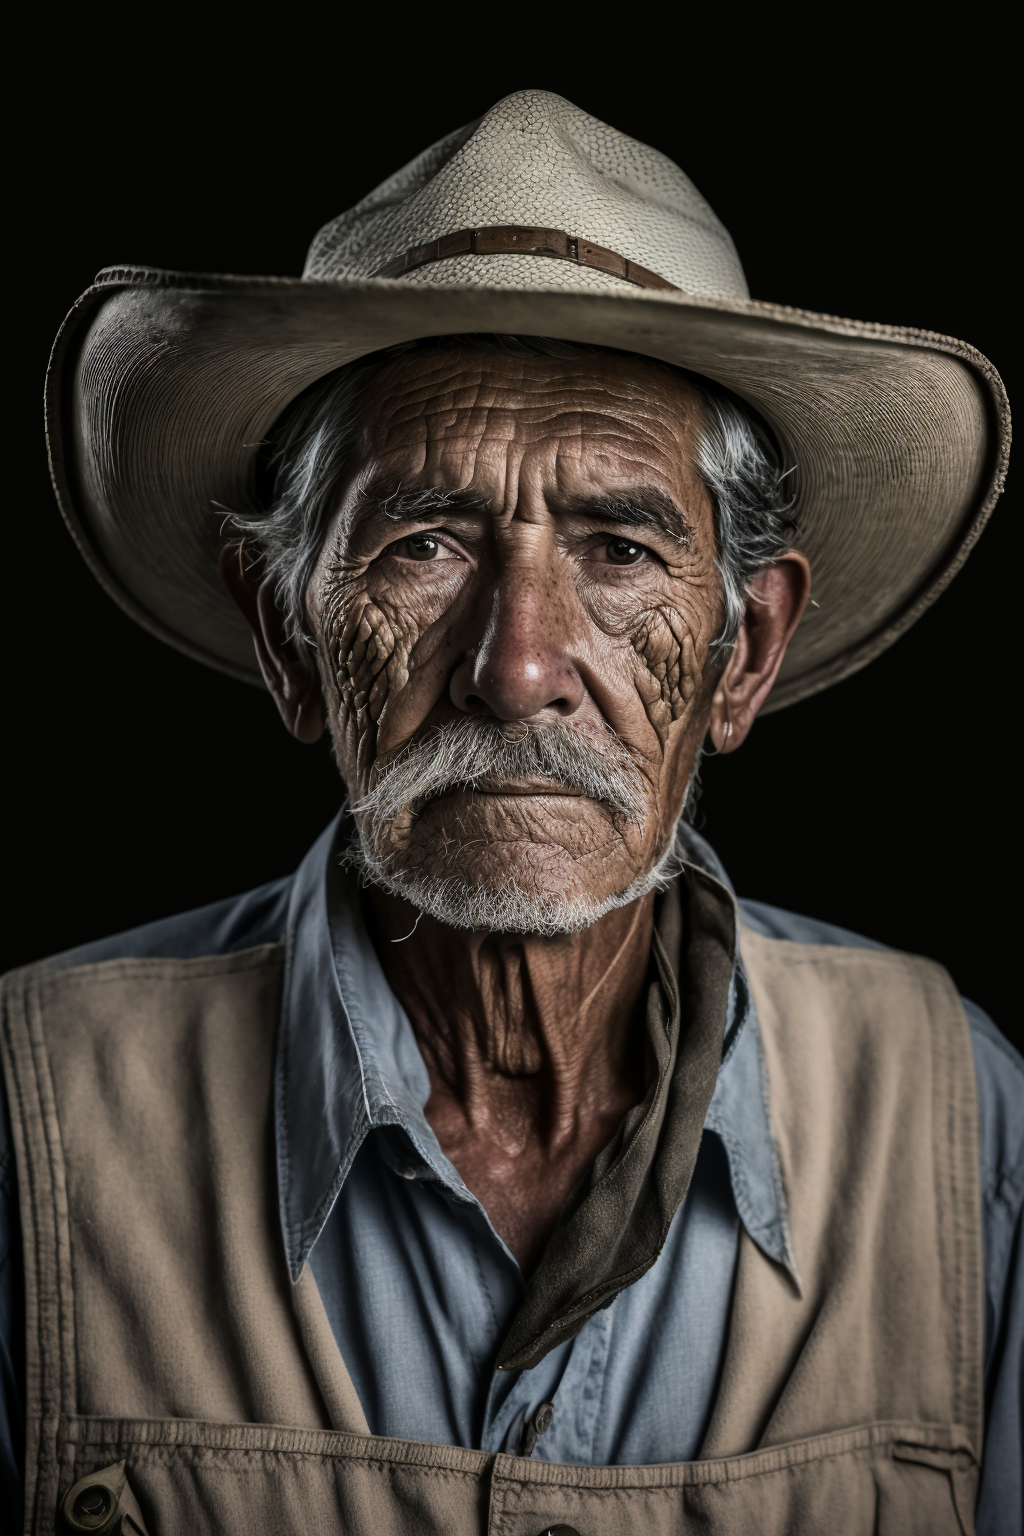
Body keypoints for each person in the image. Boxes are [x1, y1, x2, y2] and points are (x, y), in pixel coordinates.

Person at [1, 90, 1019, 1535]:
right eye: (423, 543)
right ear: (289, 639)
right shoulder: (27, 1124)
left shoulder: (961, 1126)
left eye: (618, 547)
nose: (519, 666)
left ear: (745, 652)